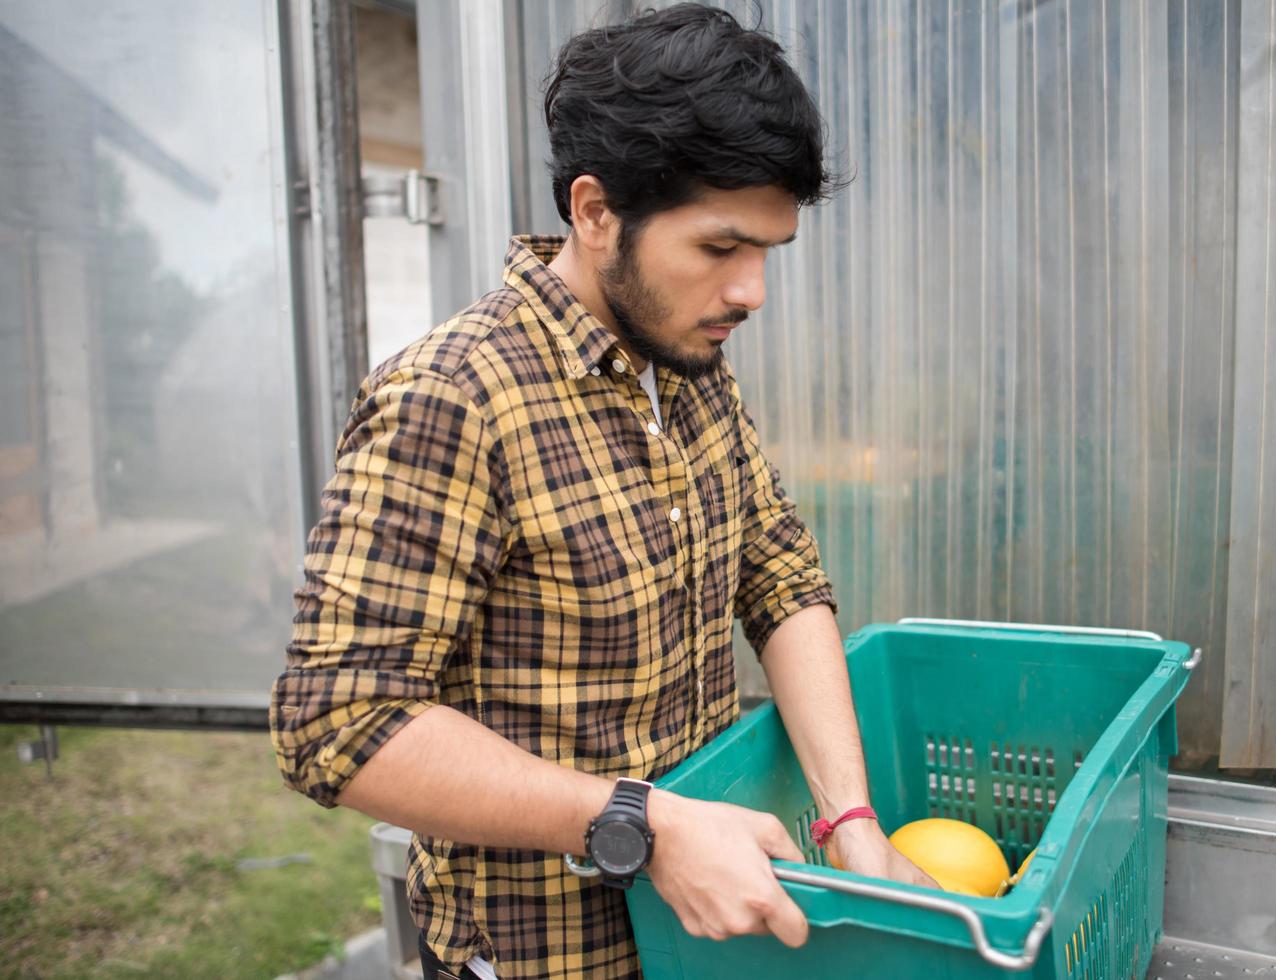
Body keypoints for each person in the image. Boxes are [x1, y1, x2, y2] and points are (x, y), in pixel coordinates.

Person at [269, 5, 934, 977]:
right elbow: (335, 719)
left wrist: (849, 820)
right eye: (718, 247)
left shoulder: (688, 363)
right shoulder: (454, 398)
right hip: (551, 953)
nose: (751, 290)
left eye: (765, 252)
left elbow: (779, 577)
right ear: (593, 211)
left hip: (713, 941)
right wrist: (642, 821)